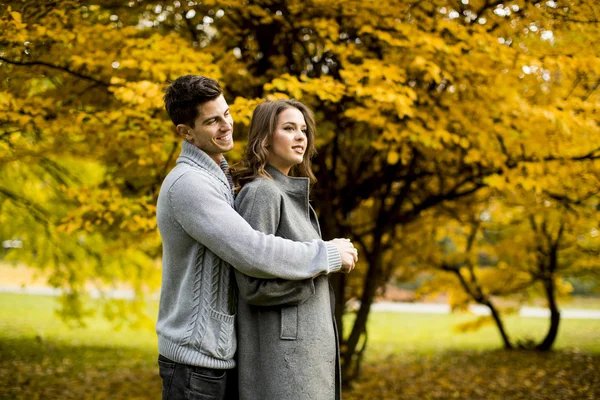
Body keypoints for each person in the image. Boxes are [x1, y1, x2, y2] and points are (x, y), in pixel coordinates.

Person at [155, 75, 358, 400]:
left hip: (216, 355)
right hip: (194, 358)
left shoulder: (218, 179)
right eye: (212, 121)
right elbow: (252, 250)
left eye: (227, 114)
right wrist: (326, 256)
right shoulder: (190, 184)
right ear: (185, 132)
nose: (226, 126)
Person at [231, 99, 348, 400]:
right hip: (283, 362)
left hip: (301, 357)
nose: (300, 137)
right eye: (288, 128)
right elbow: (253, 287)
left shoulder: (289, 194)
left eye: (304, 130)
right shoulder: (262, 194)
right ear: (265, 138)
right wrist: (322, 267)